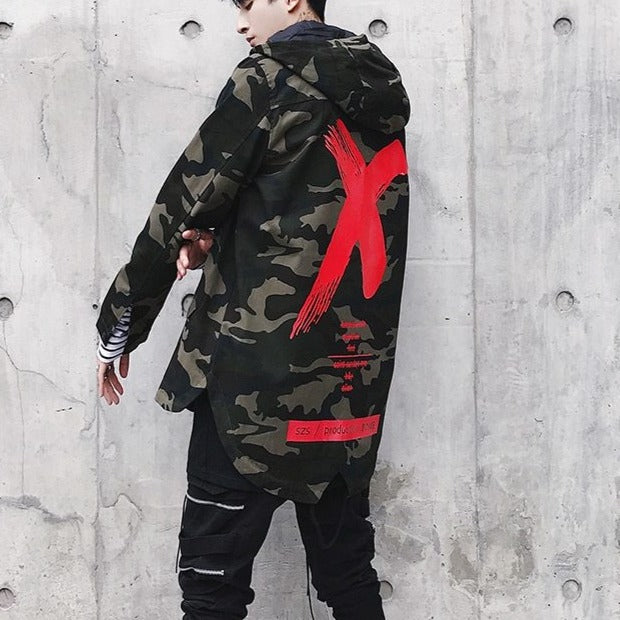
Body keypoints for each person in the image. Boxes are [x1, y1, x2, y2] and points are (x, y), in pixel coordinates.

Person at [95, 0, 410, 617]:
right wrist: (218, 237)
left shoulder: (268, 78)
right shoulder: (379, 94)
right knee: (349, 575)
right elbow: (310, 212)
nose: (241, 23)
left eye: (247, 4)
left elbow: (184, 200)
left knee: (211, 588)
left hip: (253, 385)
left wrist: (121, 324)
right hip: (350, 386)